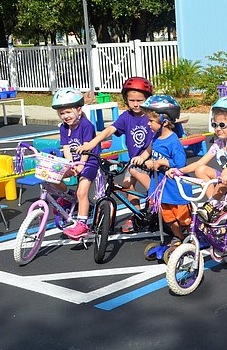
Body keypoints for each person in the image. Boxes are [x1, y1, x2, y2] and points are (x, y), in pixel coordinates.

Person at [76, 76, 153, 233]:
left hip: (150, 160)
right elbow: (109, 130)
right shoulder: (126, 116)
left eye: (140, 100)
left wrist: (144, 157)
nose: (136, 104)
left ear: (147, 99)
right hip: (135, 161)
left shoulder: (151, 117)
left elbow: (155, 142)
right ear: (126, 99)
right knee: (127, 187)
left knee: (152, 191)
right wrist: (91, 143)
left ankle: (156, 202)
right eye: (132, 100)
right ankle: (137, 215)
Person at [176, 95, 227, 224]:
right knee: (201, 170)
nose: (218, 129)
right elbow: (199, 163)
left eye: (222, 125)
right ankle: (216, 207)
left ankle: (211, 205)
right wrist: (179, 171)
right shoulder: (218, 143)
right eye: (215, 125)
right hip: (226, 178)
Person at [133, 95, 190, 246]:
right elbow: (149, 150)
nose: (148, 123)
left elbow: (180, 162)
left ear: (164, 122)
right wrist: (142, 158)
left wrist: (162, 162)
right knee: (166, 214)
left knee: (182, 215)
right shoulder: (156, 137)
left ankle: (191, 234)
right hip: (161, 185)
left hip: (174, 186)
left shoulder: (173, 141)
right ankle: (179, 238)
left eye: (151, 121)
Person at [53, 87, 99, 240]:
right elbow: (66, 147)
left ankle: (82, 224)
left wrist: (80, 165)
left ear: (78, 110)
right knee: (53, 177)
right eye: (62, 113)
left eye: (68, 112)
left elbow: (86, 148)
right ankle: (68, 196)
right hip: (75, 162)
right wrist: (69, 164)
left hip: (90, 161)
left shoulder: (86, 126)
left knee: (82, 191)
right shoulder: (64, 128)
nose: (65, 116)